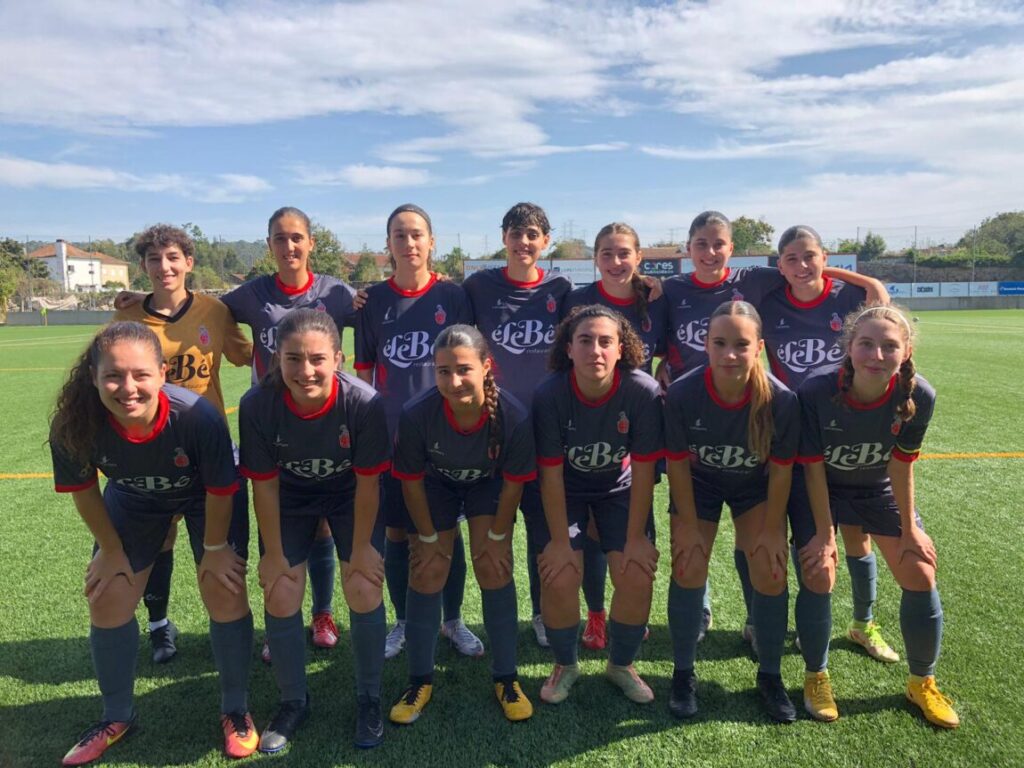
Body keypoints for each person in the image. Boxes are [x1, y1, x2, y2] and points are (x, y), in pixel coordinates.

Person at [116, 207, 352, 654]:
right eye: (279, 238)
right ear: (269, 245)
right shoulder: (246, 296)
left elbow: (382, 307)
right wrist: (141, 296)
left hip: (307, 425)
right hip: (260, 429)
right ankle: (178, 623)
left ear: (311, 242)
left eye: (296, 237)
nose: (289, 246)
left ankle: (322, 613)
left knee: (318, 524)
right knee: (264, 523)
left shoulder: (336, 293)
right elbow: (196, 307)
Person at [662, 210, 887, 650]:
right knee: (697, 536)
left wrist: (864, 280)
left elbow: (809, 273)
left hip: (774, 416)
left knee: (816, 535)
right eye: (701, 244)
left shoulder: (754, 281)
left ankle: (826, 620)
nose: (710, 252)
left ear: (732, 249)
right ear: (688, 249)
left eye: (719, 244)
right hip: (697, 413)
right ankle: (704, 611)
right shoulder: (670, 289)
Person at [50, 322, 256, 766]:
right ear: (93, 377)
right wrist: (110, 550)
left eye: (141, 374)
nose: (128, 388)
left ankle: (236, 709)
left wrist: (215, 549)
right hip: (135, 496)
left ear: (162, 373)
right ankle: (116, 715)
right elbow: (84, 491)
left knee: (223, 588)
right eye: (113, 376)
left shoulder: (197, 416)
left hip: (207, 496)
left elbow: (222, 489)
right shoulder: (74, 423)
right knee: (108, 594)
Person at [796, 304, 959, 729]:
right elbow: (811, 467)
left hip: (876, 488)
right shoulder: (815, 390)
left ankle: (922, 682)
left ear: (906, 352)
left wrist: (909, 529)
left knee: (920, 571)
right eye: (866, 344)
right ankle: (816, 675)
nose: (877, 355)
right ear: (849, 347)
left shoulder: (919, 396)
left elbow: (901, 465)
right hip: (821, 488)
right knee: (819, 571)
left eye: (889, 346)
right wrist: (824, 535)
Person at [239, 309, 390, 750]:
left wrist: (362, 548)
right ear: (277, 359)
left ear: (338, 359)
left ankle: (369, 699)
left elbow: (368, 483)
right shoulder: (257, 405)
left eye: (317, 359)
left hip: (349, 495)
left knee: (363, 585)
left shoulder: (364, 403)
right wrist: (273, 554)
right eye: (294, 359)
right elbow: (264, 486)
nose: (306, 371)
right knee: (281, 589)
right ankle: (293, 701)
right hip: (290, 497)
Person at [760, 225, 899, 678]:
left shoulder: (849, 299)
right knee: (801, 531)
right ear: (779, 265)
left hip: (847, 426)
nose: (802, 266)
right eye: (792, 259)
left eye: (811, 256)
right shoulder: (770, 301)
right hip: (794, 427)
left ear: (825, 257)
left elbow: (880, 298)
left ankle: (864, 622)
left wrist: (846, 274)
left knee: (857, 534)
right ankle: (801, 620)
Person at [114, 223, 252, 664]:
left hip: (208, 450)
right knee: (160, 539)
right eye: (154, 259)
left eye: (173, 257)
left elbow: (247, 354)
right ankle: (159, 626)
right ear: (143, 266)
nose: (165, 267)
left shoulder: (214, 310)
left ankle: (230, 629)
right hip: (149, 450)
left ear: (189, 262)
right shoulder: (127, 318)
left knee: (220, 547)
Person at [389, 324, 535, 724]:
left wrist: (499, 535)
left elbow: (513, 483)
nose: (453, 381)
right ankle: (419, 681)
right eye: (443, 371)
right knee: (428, 569)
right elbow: (411, 482)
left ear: (486, 366)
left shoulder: (512, 415)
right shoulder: (417, 414)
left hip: (487, 486)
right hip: (435, 487)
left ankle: (507, 678)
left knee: (493, 564)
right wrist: (428, 537)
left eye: (463, 369)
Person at [355, 203, 482, 660]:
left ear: (432, 242)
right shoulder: (372, 301)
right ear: (388, 244)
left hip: (447, 435)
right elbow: (364, 373)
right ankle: (404, 621)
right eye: (399, 235)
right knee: (396, 532)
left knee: (448, 531)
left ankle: (453, 620)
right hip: (394, 436)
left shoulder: (453, 297)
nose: (409, 243)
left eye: (416, 234)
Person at [664, 301, 799, 723]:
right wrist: (687, 527)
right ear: (705, 344)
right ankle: (683, 673)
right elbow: (677, 465)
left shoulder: (780, 399)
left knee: (771, 568)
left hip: (753, 487)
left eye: (741, 344)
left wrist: (773, 530)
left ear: (759, 347)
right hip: (699, 485)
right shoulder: (683, 393)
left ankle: (770, 675)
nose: (729, 354)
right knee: (688, 564)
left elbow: (781, 471)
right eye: (719, 343)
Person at [532, 305, 663, 706]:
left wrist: (637, 538)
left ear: (621, 348)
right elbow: (550, 476)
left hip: (618, 491)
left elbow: (644, 472)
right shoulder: (549, 395)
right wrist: (559, 542)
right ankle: (565, 664)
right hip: (566, 492)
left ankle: (621, 665)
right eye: (585, 340)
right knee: (559, 575)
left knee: (636, 573)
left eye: (606, 341)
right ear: (568, 348)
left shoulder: (642, 391)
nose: (596, 350)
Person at [462, 202, 572, 648]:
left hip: (547, 428)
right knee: (496, 527)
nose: (523, 242)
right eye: (515, 233)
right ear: (503, 237)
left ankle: (543, 613)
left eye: (532, 234)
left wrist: (647, 284)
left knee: (544, 528)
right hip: (495, 427)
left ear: (545, 241)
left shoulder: (562, 289)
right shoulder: (478, 286)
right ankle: (499, 619)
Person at [563, 222, 669, 651]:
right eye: (606, 253)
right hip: (588, 423)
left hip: (638, 423)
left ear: (639, 257)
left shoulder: (657, 300)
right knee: (591, 529)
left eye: (624, 253)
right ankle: (596, 614)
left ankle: (630, 609)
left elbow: (671, 353)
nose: (615, 261)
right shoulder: (577, 300)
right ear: (595, 259)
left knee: (636, 521)